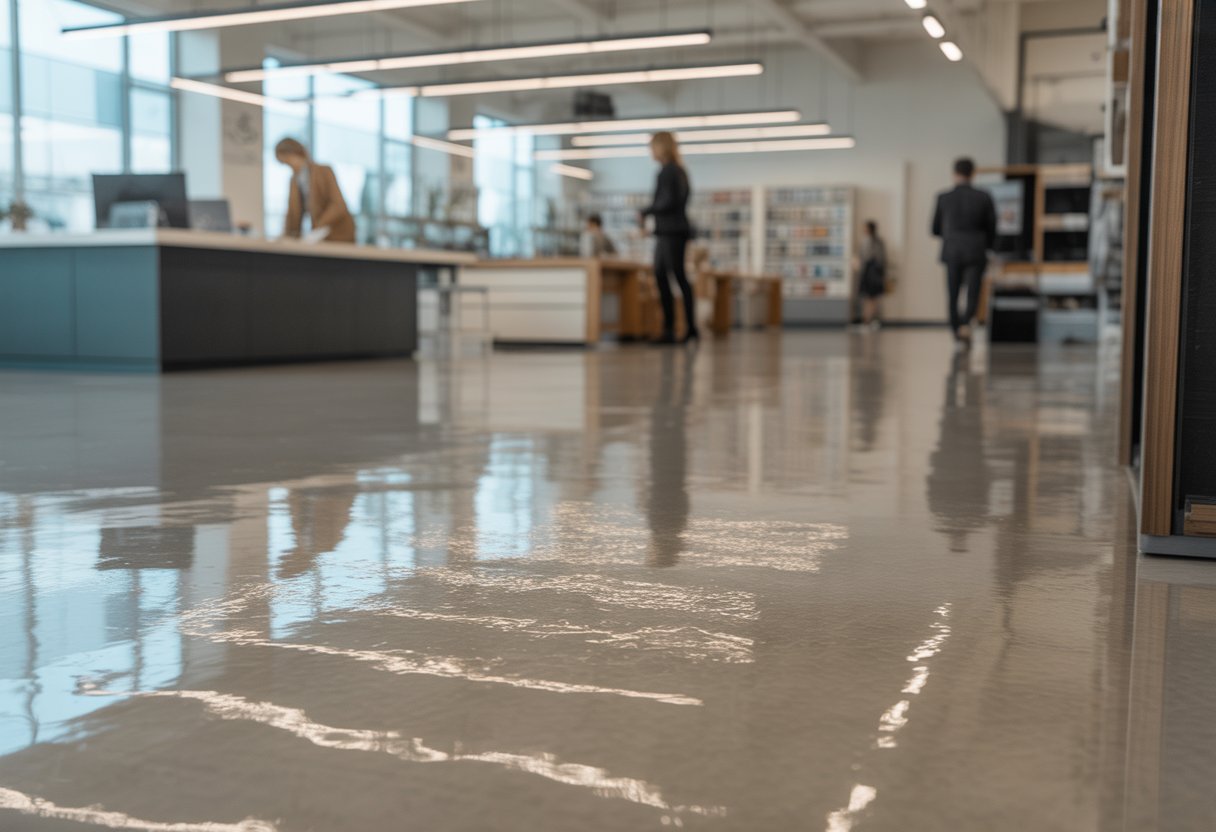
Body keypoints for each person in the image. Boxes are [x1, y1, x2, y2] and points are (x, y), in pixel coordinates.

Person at [640, 132, 698, 345]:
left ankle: (671, 329)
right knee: (674, 277)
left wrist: (646, 211)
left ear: (661, 147)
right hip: (674, 231)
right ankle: (686, 327)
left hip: (670, 232)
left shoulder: (667, 172)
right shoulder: (680, 171)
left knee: (667, 276)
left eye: (652, 147)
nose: (650, 152)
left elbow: (666, 202)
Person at [932, 157, 997, 346]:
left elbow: (935, 229)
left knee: (952, 293)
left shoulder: (943, 198)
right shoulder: (983, 196)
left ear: (954, 173)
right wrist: (990, 247)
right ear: (973, 173)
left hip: (952, 250)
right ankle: (966, 323)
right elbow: (992, 227)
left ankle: (955, 331)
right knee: (973, 292)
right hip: (976, 250)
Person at [275, 138, 356, 244]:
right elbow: (293, 213)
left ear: (295, 153)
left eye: (288, 161)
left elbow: (338, 205)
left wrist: (318, 225)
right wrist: (287, 236)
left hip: (339, 234)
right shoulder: (294, 180)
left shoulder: (324, 171)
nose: (289, 166)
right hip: (320, 236)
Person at [857, 220, 887, 329]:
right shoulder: (879, 242)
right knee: (873, 298)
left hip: (869, 272)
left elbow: (865, 257)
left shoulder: (867, 241)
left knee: (868, 298)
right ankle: (872, 320)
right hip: (876, 273)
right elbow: (882, 259)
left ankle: (867, 321)